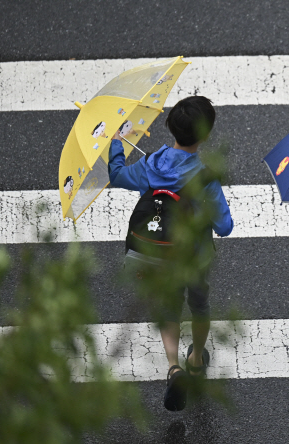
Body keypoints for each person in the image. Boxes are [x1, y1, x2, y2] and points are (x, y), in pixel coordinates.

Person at [108, 96, 234, 411]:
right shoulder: (204, 176)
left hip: (151, 254)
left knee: (168, 308)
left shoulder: (149, 165)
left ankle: (173, 366)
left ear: (170, 128)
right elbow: (225, 226)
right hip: (191, 257)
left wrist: (116, 143)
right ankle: (195, 360)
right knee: (199, 306)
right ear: (205, 136)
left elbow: (118, 174)